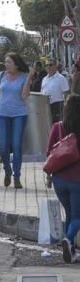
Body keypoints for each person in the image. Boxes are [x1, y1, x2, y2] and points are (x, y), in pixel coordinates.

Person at [0, 52, 33, 189]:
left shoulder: (24, 77)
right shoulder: (1, 75)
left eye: (9, 62)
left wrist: (29, 79)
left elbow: (24, 96)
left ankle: (17, 176)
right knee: (3, 147)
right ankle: (7, 170)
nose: (6, 64)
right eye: (6, 61)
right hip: (2, 114)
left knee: (16, 145)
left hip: (19, 114)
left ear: (16, 64)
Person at [48, 94, 80, 263]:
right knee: (78, 216)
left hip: (59, 180)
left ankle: (71, 252)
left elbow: (49, 153)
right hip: (77, 181)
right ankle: (68, 239)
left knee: (70, 213)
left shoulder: (57, 127)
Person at [41, 59, 70, 124]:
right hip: (46, 106)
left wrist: (65, 108)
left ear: (55, 66)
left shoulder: (61, 78)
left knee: (57, 126)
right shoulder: (44, 79)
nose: (48, 66)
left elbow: (66, 93)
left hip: (57, 106)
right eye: (46, 65)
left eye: (50, 65)